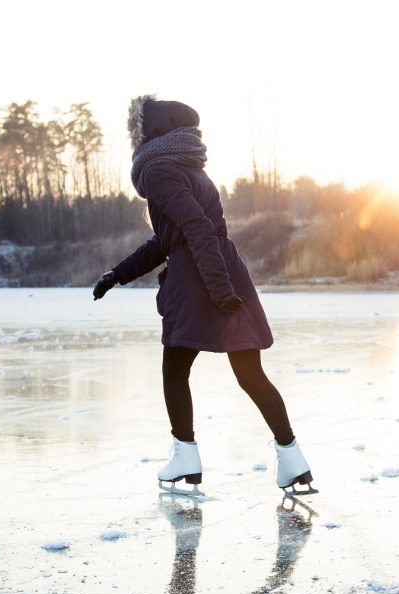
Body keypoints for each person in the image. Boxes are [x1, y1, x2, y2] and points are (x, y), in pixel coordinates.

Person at [92, 95, 314, 495]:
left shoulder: (160, 170)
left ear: (150, 134)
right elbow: (168, 239)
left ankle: (185, 458)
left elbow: (195, 229)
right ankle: (293, 460)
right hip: (221, 271)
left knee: (175, 371)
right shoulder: (190, 170)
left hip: (201, 278)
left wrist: (217, 289)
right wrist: (118, 274)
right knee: (250, 374)